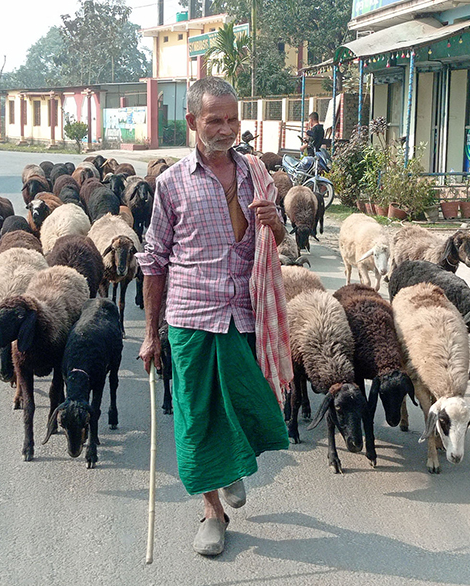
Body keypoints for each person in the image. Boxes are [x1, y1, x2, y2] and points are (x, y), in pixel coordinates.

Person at [137, 76, 289, 558]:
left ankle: (232, 469)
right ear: (192, 123)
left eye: (231, 120)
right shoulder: (171, 184)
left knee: (246, 404)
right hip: (189, 316)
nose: (225, 129)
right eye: (214, 120)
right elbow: (155, 261)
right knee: (197, 417)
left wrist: (278, 225)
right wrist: (149, 336)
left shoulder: (257, 177)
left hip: (244, 313)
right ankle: (212, 512)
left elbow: (275, 244)